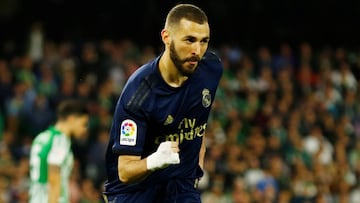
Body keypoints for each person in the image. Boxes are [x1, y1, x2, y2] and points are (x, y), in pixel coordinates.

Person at [103, 3, 223, 203]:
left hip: (181, 189)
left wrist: (197, 167)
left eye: (204, 41)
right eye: (190, 40)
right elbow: (124, 171)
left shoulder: (211, 70)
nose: (197, 50)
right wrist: (155, 161)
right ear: (166, 37)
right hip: (136, 193)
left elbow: (199, 123)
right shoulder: (139, 93)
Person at [29, 99, 89, 203]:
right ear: (71, 119)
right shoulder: (60, 141)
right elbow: (54, 181)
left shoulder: (41, 137)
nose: (84, 129)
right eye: (83, 124)